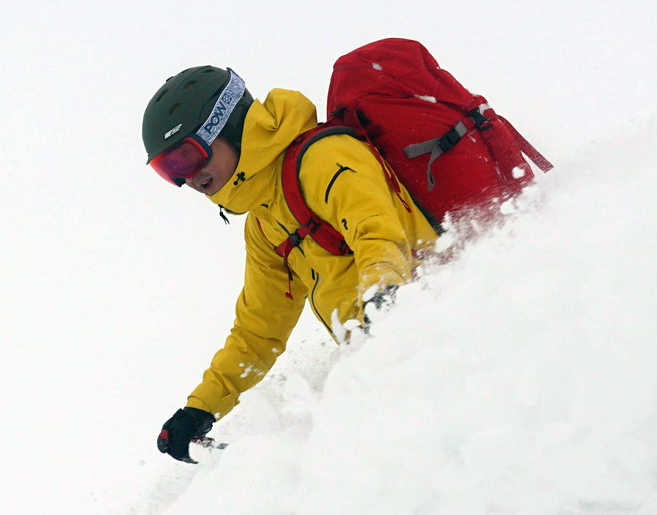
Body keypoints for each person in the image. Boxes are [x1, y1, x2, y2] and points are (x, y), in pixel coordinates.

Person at [143, 66, 438, 462]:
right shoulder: (264, 223)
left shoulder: (323, 158)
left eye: (187, 156)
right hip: (387, 362)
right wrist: (201, 409)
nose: (188, 179)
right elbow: (258, 331)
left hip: (437, 330)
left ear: (228, 127)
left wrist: (382, 299)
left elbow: (377, 232)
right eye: (171, 171)